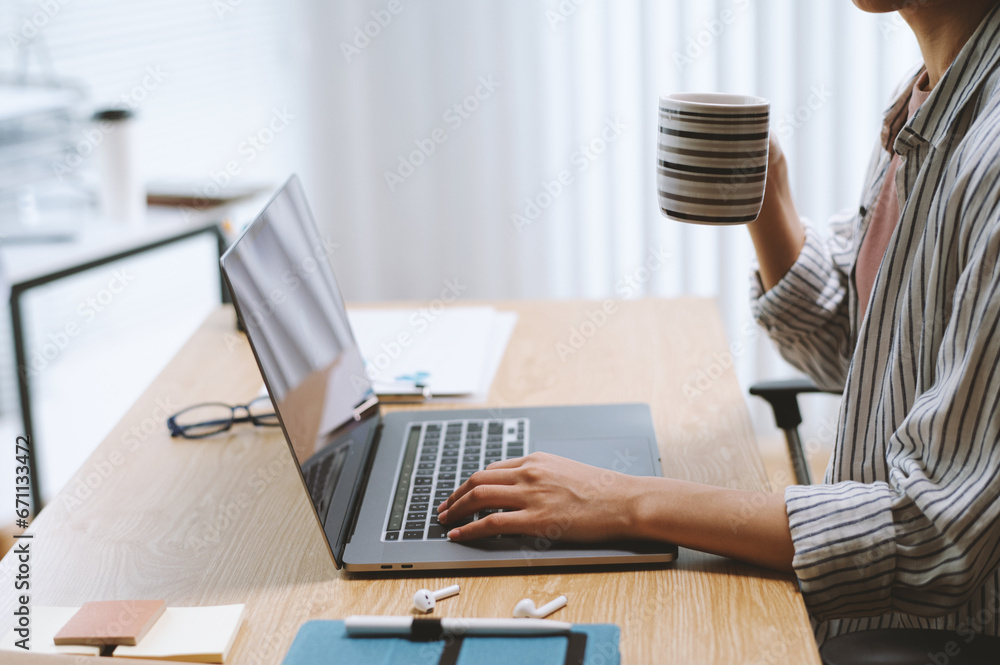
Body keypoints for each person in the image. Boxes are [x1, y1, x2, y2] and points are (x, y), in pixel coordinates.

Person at [438, 0, 1000, 643]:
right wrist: (765, 203)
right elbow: (863, 346)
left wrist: (629, 502)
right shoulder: (930, 96)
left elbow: (934, 539)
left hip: (933, 637)